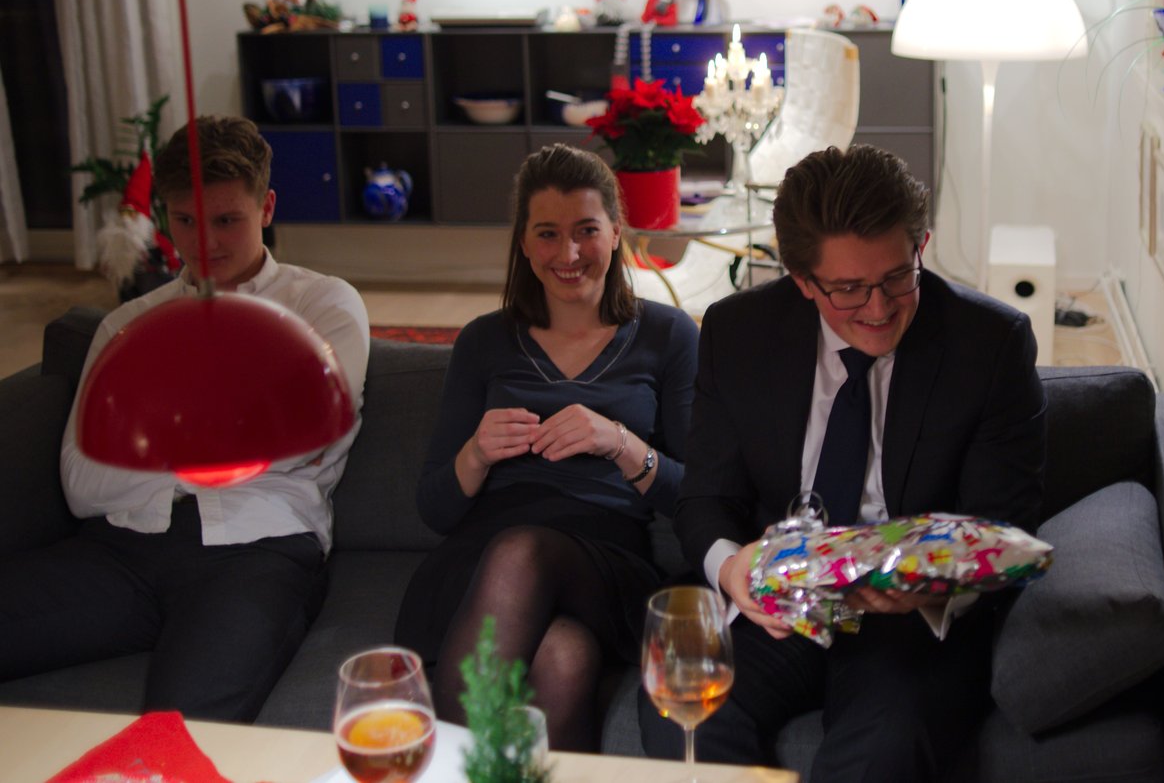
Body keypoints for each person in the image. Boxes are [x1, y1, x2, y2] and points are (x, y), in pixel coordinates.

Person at [639, 144, 1047, 782]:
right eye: (849, 289)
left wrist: (927, 586)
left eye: (897, 277)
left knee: (882, 751)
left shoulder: (990, 344)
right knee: (683, 717)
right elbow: (705, 499)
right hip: (778, 605)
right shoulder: (738, 331)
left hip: (910, 625)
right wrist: (733, 568)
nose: (879, 309)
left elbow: (1002, 522)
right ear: (803, 280)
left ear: (921, 247)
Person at [0, 116, 370, 722]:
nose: (204, 244)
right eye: (185, 221)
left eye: (226, 220)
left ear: (266, 208)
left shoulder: (321, 303)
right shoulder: (126, 325)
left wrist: (153, 442)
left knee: (181, 728)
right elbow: (83, 484)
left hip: (255, 548)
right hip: (119, 548)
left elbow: (304, 436)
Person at [395, 143, 697, 750]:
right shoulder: (483, 341)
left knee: (525, 551)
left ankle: (450, 768)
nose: (569, 254)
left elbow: (698, 498)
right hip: (479, 561)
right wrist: (476, 453)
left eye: (586, 230)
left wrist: (620, 444)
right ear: (525, 244)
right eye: (548, 234)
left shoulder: (668, 334)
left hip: (605, 562)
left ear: (616, 232)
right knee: (564, 656)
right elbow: (434, 508)